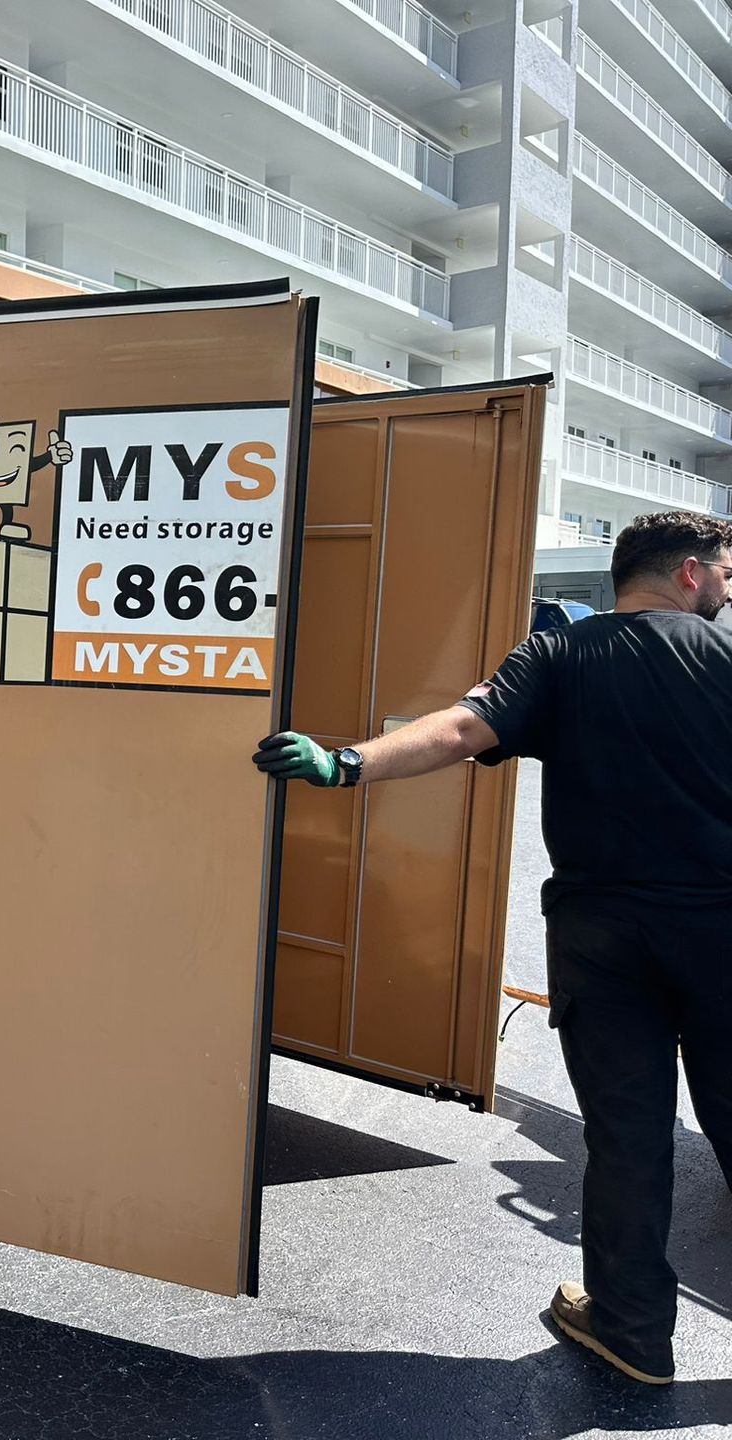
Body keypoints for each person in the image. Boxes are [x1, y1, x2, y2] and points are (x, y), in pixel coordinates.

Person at [252, 509, 732, 1387]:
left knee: (629, 1138)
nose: (729, 586)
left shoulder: (556, 655)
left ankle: (632, 1332)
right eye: (726, 572)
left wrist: (344, 765)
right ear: (691, 575)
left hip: (604, 938)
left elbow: (458, 730)